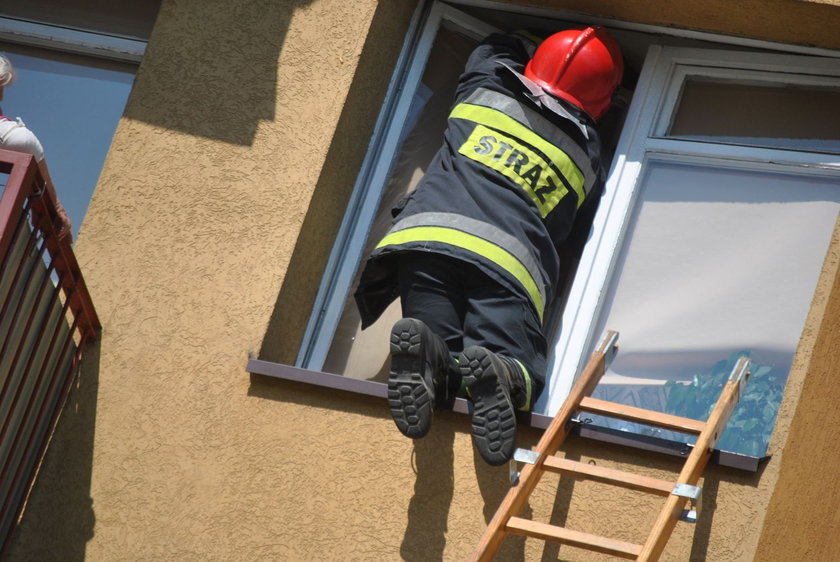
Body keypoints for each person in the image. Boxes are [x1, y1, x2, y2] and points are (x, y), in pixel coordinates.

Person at [354, 27, 623, 465]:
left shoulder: (486, 86)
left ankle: (430, 354)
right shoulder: (587, 152)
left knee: (440, 352)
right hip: (507, 266)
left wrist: (527, 46)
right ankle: (504, 371)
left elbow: (495, 43)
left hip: (427, 242)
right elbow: (576, 238)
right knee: (509, 362)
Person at [0, 53, 72, 241]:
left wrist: (56, 206)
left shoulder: (8, 133)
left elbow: (22, 141)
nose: (2, 98)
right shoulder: (9, 133)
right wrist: (55, 207)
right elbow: (23, 140)